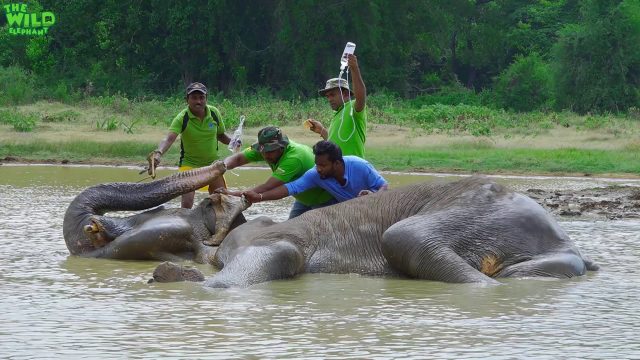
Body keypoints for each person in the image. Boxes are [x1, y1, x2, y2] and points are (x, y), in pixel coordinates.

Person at [147, 82, 232, 209]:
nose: (198, 101)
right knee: (186, 205)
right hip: (189, 165)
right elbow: (169, 139)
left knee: (222, 201)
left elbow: (221, 135)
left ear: (206, 98)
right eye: (194, 98)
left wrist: (233, 142)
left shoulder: (214, 113)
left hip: (213, 165)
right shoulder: (182, 117)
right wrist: (158, 153)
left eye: (201, 97)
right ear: (187, 100)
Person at [222, 126, 335, 219]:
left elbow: (267, 188)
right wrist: (219, 167)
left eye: (270, 151)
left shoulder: (293, 158)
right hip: (303, 198)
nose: (266, 155)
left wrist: (231, 194)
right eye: (263, 151)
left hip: (324, 200)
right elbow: (238, 159)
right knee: (290, 231)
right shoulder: (264, 150)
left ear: (281, 147)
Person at [243, 140, 387, 205]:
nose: (318, 169)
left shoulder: (360, 166)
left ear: (337, 163)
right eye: (317, 164)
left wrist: (373, 197)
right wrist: (260, 197)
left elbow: (384, 186)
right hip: (348, 210)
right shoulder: (316, 174)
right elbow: (291, 188)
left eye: (323, 165)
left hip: (375, 207)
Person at [306, 54, 367, 158]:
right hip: (337, 168)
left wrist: (354, 68)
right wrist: (322, 131)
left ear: (346, 94)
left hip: (352, 167)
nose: (329, 99)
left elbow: (361, 96)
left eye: (332, 95)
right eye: (327, 96)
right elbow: (335, 145)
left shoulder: (353, 108)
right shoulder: (338, 114)